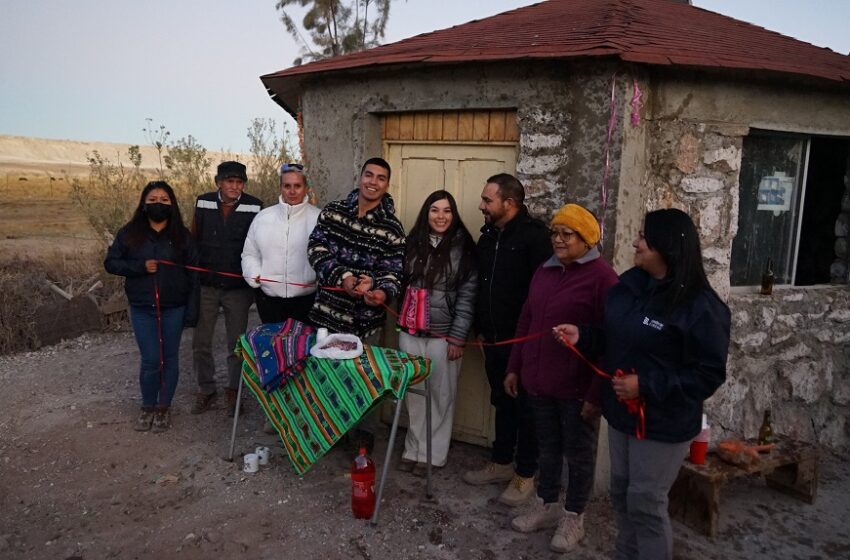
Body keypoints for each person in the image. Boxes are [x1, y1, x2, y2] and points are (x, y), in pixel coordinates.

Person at [556, 208, 731, 560]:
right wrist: (584, 336)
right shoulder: (630, 287)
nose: (635, 243)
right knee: (622, 495)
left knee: (647, 503)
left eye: (643, 238)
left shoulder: (701, 307)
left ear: (666, 248)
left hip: (663, 424)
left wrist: (647, 385)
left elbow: (708, 374)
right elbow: (613, 337)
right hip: (622, 416)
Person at [503, 204, 618, 553]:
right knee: (547, 449)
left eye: (567, 234)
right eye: (555, 233)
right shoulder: (545, 271)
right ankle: (547, 504)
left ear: (586, 239)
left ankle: (574, 516)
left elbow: (610, 340)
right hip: (539, 380)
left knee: (578, 454)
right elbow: (527, 319)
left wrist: (595, 394)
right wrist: (514, 366)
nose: (558, 240)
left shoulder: (603, 279)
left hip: (576, 387)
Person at [463, 173, 551, 507]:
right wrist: (480, 327)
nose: (481, 206)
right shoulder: (487, 237)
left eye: (488, 200)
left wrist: (529, 340)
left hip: (524, 343)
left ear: (509, 203)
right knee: (501, 400)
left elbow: (540, 295)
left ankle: (525, 475)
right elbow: (481, 286)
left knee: (528, 408)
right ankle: (501, 463)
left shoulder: (535, 238)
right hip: (493, 341)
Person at [307, 157, 406, 450]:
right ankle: (330, 431)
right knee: (327, 375)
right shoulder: (334, 212)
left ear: (387, 184)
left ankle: (363, 437)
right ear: (360, 177)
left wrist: (381, 292)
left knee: (365, 380)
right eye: (369, 175)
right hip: (326, 313)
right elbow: (316, 248)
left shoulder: (393, 228)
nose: (373, 182)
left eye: (380, 178)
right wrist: (344, 277)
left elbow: (394, 272)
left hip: (365, 322)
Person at [104, 181, 198, 432]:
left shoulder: (182, 236)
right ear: (144, 203)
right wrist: (139, 267)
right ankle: (147, 406)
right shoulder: (130, 233)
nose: (159, 203)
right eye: (153, 199)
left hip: (174, 307)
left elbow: (194, 276)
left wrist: (192, 310)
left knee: (169, 358)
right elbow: (111, 263)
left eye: (165, 200)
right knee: (150, 359)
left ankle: (164, 408)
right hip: (143, 307)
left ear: (173, 204)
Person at [397, 190, 477, 476]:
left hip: (444, 336)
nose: (440, 216)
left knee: (441, 396)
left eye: (446, 210)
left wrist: (458, 337)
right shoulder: (411, 243)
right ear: (426, 213)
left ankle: (434, 454)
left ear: (453, 215)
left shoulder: (464, 248)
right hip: (410, 331)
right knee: (414, 395)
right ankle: (413, 448)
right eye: (434, 210)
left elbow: (468, 298)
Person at [190, 161, 262, 416]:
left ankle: (234, 392)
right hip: (206, 286)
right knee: (201, 341)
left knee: (236, 343)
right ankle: (206, 389)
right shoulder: (203, 202)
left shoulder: (255, 206)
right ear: (218, 182)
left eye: (239, 182)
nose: (235, 186)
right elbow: (193, 240)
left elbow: (259, 245)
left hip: (238, 288)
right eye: (230, 181)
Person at [242, 163, 320, 324]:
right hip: (269, 301)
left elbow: (328, 257)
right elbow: (250, 253)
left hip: (306, 301)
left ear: (306, 187)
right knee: (272, 346)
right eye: (287, 186)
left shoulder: (319, 218)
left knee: (301, 347)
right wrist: (255, 273)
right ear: (281, 187)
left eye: (297, 186)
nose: (292, 191)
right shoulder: (263, 217)